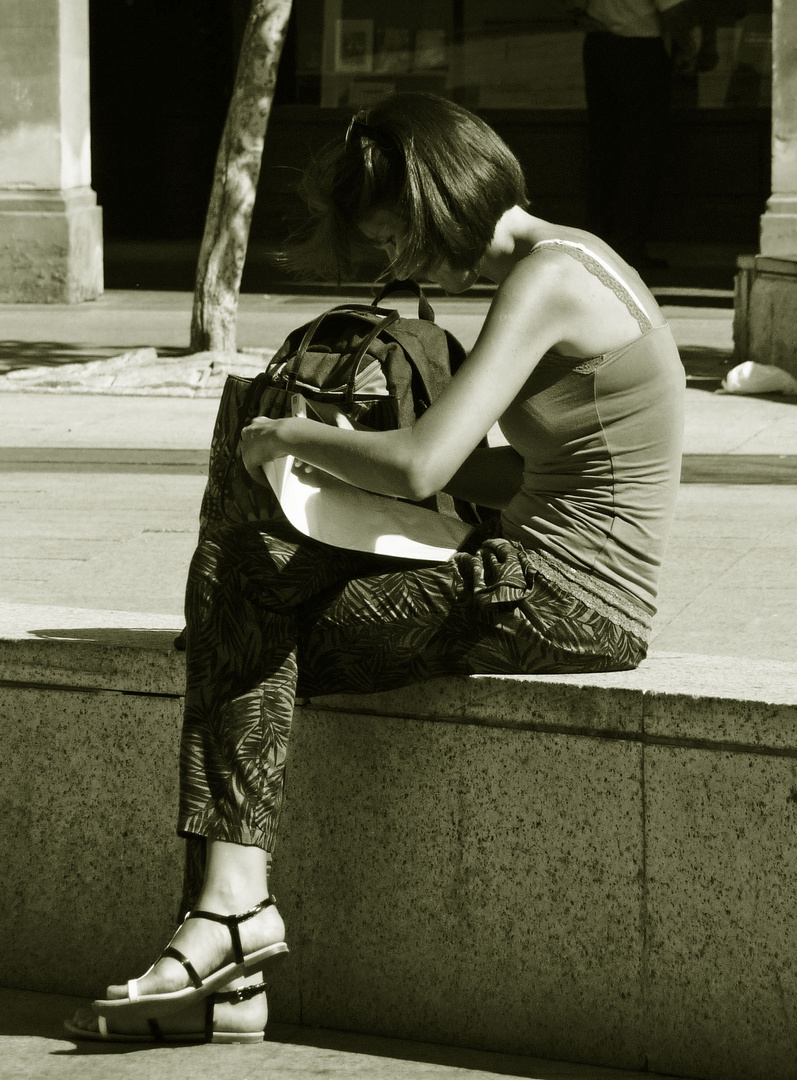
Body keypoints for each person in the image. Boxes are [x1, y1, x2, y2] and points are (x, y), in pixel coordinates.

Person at [66, 90, 685, 1044]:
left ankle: (230, 917)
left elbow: (426, 467)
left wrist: (291, 432)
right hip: (526, 562)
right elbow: (501, 465)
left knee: (240, 615)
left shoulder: (550, 277)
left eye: (392, 232)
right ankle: (232, 961)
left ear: (436, 200)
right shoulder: (570, 257)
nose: (389, 258)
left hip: (569, 596)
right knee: (244, 593)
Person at [578, 0, 706, 269]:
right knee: (639, 149)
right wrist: (688, 47)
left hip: (599, 44)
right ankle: (626, 244)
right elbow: (672, 9)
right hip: (638, 49)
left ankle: (596, 240)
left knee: (605, 147)